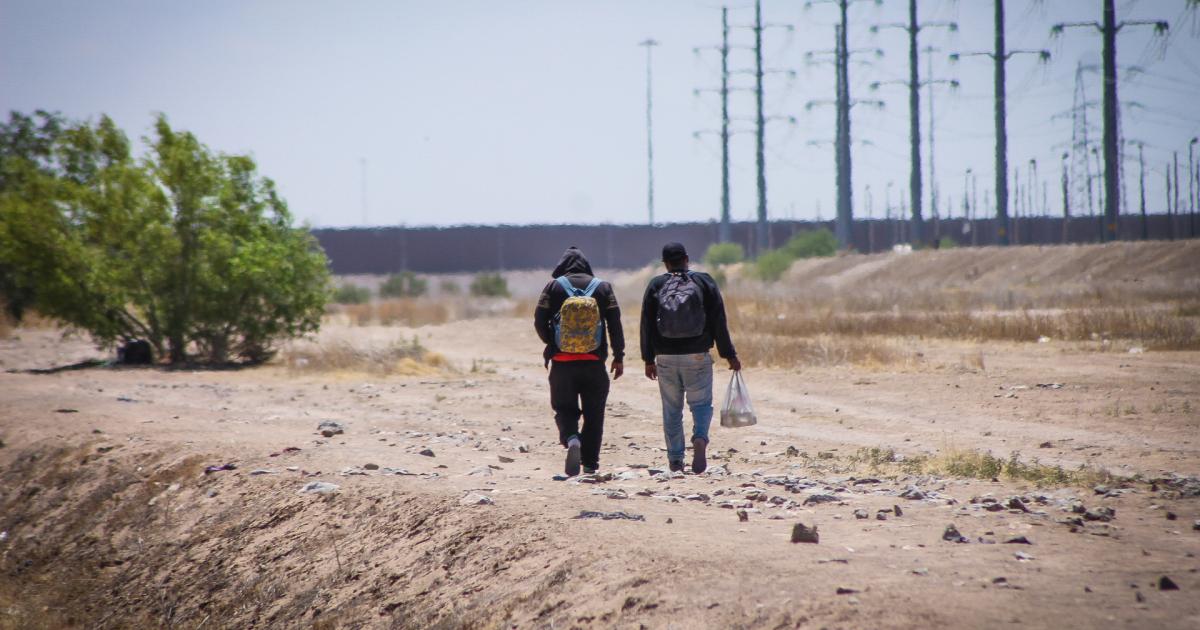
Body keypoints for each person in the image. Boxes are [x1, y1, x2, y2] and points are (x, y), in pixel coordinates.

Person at [640, 242, 739, 474]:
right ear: (687, 258)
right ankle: (700, 439)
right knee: (701, 404)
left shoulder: (656, 284)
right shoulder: (704, 281)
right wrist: (729, 354)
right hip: (697, 355)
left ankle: (675, 460)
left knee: (672, 409)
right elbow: (718, 321)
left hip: (665, 357)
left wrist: (648, 358)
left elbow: (646, 325)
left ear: (665, 263)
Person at [534, 246, 625, 477]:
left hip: (562, 363)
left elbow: (539, 320)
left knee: (564, 408)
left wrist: (552, 344)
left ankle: (572, 438)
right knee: (595, 415)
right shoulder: (603, 288)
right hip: (594, 363)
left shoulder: (553, 287)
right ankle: (590, 464)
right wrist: (619, 356)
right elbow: (615, 324)